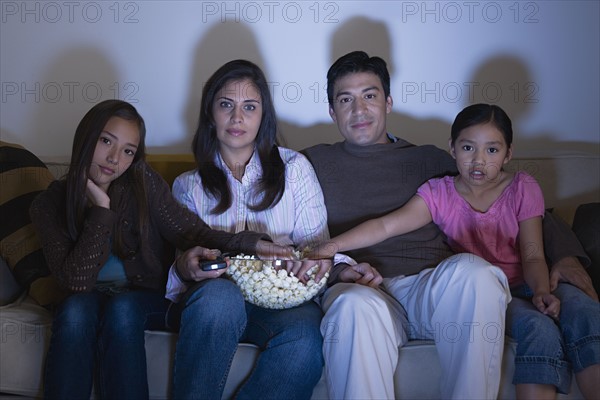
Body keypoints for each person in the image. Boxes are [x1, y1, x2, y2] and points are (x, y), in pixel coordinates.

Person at [302, 51, 597, 399]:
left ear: (388, 102)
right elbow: (293, 230)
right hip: (363, 289)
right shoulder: (311, 163)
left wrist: (565, 254)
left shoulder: (430, 160)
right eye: (346, 99)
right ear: (332, 111)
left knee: (477, 274)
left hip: (431, 287)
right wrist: (337, 271)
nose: (359, 109)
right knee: (352, 307)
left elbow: (514, 204)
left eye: (370, 95)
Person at [30, 99, 281, 400]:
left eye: (128, 151)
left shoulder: (142, 182)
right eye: (106, 141)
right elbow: (76, 283)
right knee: (74, 311)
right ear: (86, 136)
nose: (113, 158)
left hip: (145, 299)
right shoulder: (47, 205)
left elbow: (192, 231)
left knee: (121, 309)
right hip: (85, 299)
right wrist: (101, 209)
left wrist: (252, 243)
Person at [165, 59, 331, 399]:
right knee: (221, 298)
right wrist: (189, 265)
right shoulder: (188, 187)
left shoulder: (295, 170)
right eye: (226, 105)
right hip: (215, 297)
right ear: (210, 114)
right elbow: (182, 262)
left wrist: (310, 265)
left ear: (263, 116)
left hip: (282, 303)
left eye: (249, 107)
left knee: (305, 337)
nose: (237, 118)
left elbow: (318, 248)